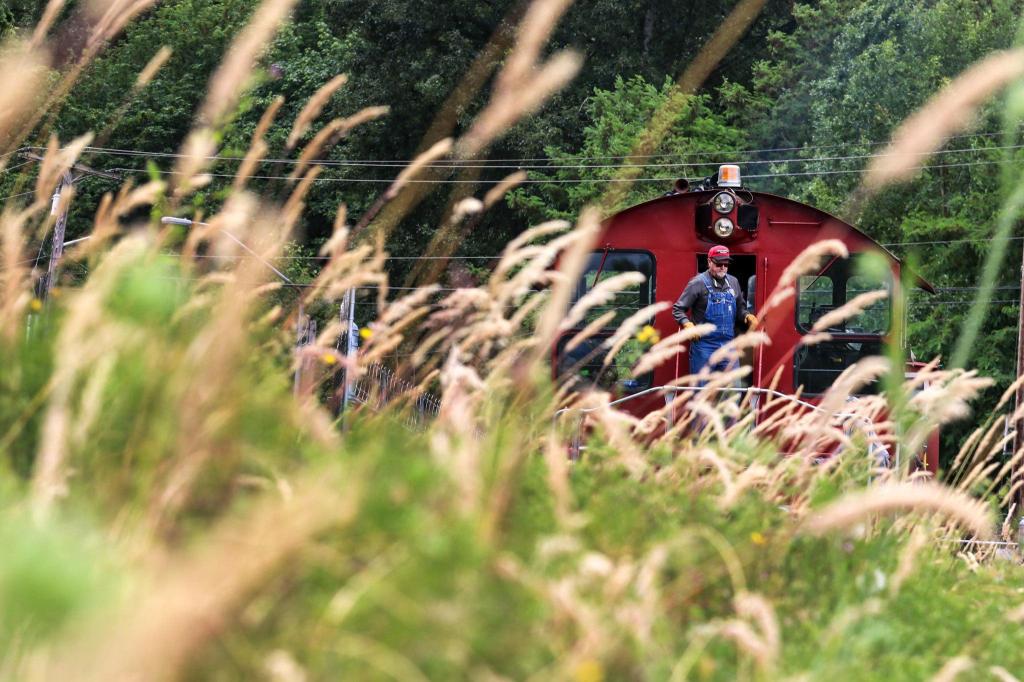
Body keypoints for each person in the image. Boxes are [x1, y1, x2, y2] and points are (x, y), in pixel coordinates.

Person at [672, 245, 758, 376]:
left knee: (734, 389)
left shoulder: (733, 282)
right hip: (704, 346)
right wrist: (686, 323)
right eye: (719, 263)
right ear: (709, 262)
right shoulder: (697, 283)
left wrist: (747, 316)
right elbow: (678, 309)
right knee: (700, 390)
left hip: (728, 344)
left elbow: (740, 308)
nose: (723, 267)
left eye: (726, 263)